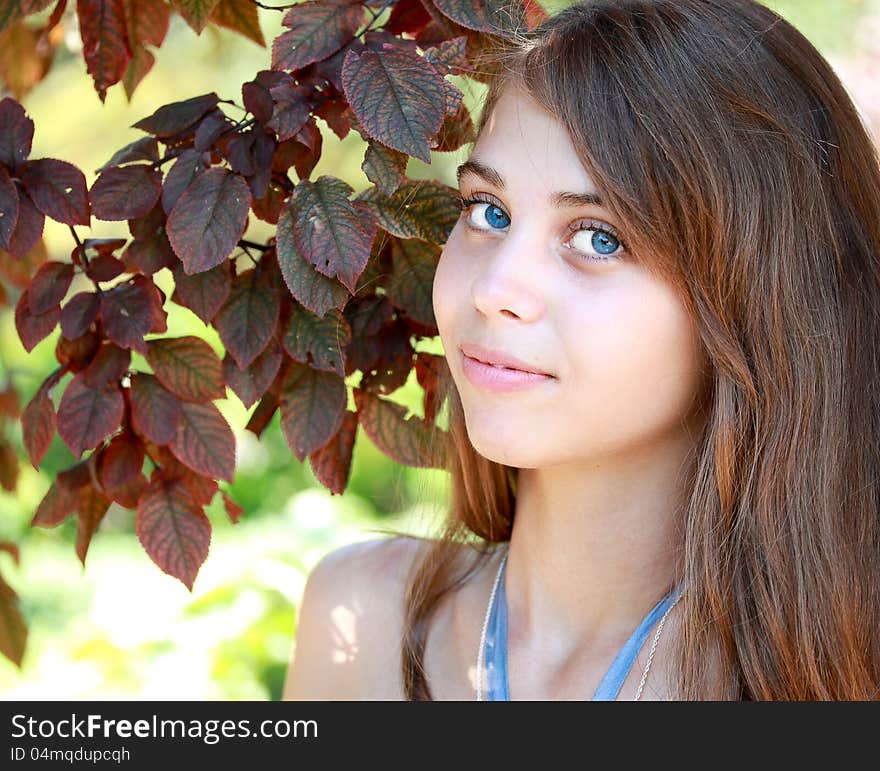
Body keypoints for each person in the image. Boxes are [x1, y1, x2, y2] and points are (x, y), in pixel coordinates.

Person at [283, 0, 880, 700]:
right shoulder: (362, 623)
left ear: (756, 296)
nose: (495, 288)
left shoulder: (826, 674)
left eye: (599, 236)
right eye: (488, 212)